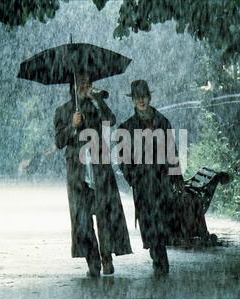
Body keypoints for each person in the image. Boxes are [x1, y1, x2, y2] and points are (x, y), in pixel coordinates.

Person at [54, 73, 132, 277]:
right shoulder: (63, 111)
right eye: (81, 83)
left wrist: (98, 102)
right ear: (73, 86)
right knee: (83, 219)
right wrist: (72, 125)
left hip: (100, 170)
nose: (86, 86)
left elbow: (111, 120)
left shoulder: (96, 106)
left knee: (105, 215)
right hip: (78, 175)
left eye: (88, 83)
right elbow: (59, 142)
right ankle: (93, 263)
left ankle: (107, 258)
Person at [117, 80, 184, 277]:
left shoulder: (162, 122)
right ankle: (157, 256)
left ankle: (160, 257)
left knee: (161, 220)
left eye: (144, 96)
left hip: (161, 181)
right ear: (133, 100)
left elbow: (172, 151)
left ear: (149, 97)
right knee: (148, 222)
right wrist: (133, 177)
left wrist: (177, 177)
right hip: (142, 184)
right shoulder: (127, 127)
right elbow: (123, 158)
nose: (141, 100)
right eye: (137, 97)